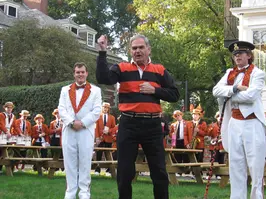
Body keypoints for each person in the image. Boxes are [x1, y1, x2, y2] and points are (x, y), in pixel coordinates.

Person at [96, 34, 179, 199]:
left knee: (159, 171)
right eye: (134, 48)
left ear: (149, 49)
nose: (138, 51)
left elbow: (175, 94)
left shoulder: (160, 70)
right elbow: (103, 78)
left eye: (141, 47)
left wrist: (155, 90)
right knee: (125, 171)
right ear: (130, 51)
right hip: (128, 123)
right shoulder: (121, 68)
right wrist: (103, 52)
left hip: (153, 125)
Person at [213, 41, 266, 199]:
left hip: (252, 123)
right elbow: (216, 90)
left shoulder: (257, 73)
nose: (237, 56)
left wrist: (229, 95)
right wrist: (235, 89)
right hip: (235, 122)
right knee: (236, 165)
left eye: (241, 53)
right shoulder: (229, 73)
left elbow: (251, 96)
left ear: (249, 56)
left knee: (255, 166)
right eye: (235, 54)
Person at [58, 62, 102, 199]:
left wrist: (82, 123)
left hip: (86, 131)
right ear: (74, 73)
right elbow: (61, 109)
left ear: (87, 73)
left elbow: (96, 111)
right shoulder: (65, 89)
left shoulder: (96, 90)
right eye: (78, 72)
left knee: (85, 162)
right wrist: (71, 123)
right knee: (69, 163)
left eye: (82, 72)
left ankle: (84, 194)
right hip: (69, 131)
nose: (80, 74)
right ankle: (70, 193)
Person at [94, 102, 116, 176]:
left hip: (108, 139)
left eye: (107, 108)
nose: (105, 109)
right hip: (100, 139)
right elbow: (96, 128)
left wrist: (108, 131)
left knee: (108, 155)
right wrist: (97, 137)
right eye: (104, 107)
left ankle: (109, 170)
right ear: (102, 108)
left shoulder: (112, 117)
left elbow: (114, 128)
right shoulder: (98, 116)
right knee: (99, 154)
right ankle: (97, 169)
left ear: (108, 109)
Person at [206, 111, 225, 180]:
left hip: (222, 145)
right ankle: (210, 174)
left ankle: (219, 175)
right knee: (213, 160)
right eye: (218, 116)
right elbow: (208, 135)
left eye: (221, 116)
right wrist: (210, 130)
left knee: (221, 161)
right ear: (216, 117)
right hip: (214, 146)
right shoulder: (212, 125)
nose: (220, 118)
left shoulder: (225, 125)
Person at [0, 102, 16, 173]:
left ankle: (9, 168)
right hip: (1, 134)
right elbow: (1, 125)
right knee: (0, 151)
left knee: (10, 151)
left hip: (9, 136)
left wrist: (15, 134)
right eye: (8, 107)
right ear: (5, 108)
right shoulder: (1, 115)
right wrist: (7, 132)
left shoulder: (13, 116)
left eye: (11, 107)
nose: (9, 109)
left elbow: (14, 126)